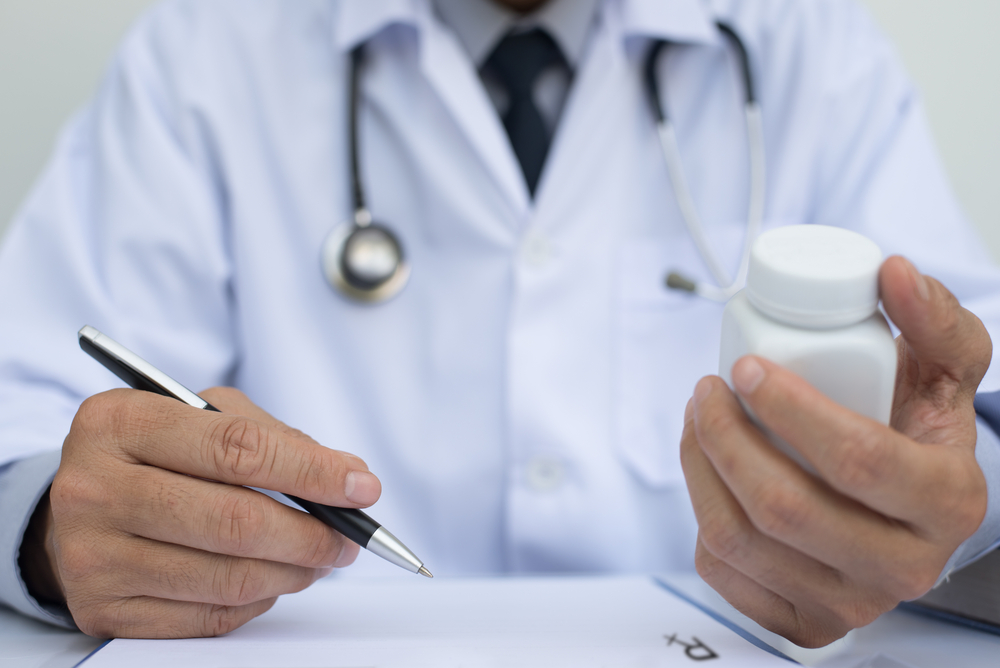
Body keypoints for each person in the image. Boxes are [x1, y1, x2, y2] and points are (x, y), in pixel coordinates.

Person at [2, 0, 1000, 648]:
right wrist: (52, 526)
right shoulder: (205, 49)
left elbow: (966, 399)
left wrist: (946, 498)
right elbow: (27, 412)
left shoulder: (807, 44)